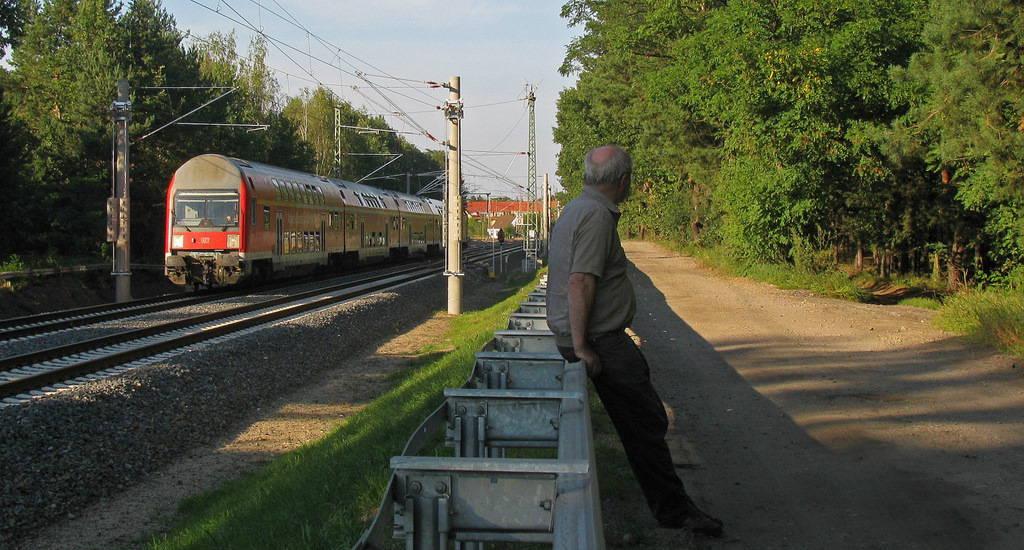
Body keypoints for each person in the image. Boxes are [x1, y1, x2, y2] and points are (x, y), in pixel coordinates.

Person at [546, 145, 724, 537]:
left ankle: (673, 506)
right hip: (596, 339)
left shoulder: (577, 209)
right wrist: (581, 348)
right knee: (646, 419)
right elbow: (580, 281)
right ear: (623, 181)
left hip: (589, 335)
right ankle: (674, 511)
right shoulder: (595, 217)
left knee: (644, 417)